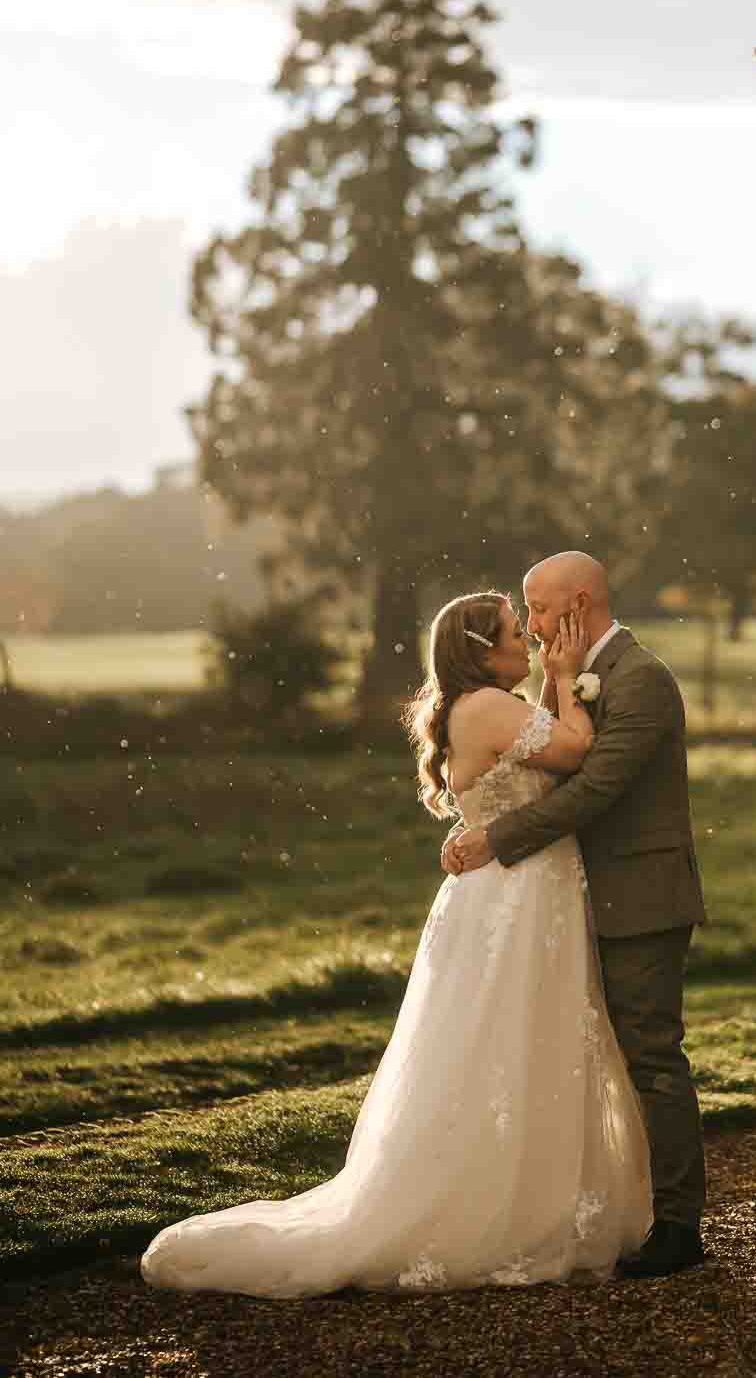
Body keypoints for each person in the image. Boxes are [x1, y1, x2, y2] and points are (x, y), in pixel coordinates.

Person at [140, 590, 651, 1297]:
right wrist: (566, 676)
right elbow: (576, 748)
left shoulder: (480, 706)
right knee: (507, 1042)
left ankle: (529, 1194)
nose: (528, 644)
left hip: (517, 892)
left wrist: (552, 682)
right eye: (514, 634)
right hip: (517, 896)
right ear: (481, 650)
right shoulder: (490, 707)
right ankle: (499, 1209)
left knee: (517, 1043)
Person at [445, 550, 707, 1279]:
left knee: (651, 1056)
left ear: (578, 600)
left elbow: (596, 790)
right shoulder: (576, 679)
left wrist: (494, 838)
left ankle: (680, 1225)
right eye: (523, 613)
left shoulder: (642, 679)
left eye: (535, 606)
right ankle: (611, 1207)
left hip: (643, 896)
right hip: (578, 896)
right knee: (603, 1059)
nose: (528, 625)